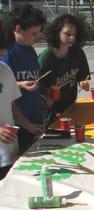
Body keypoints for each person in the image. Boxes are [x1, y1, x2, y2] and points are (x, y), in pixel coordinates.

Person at [1, 21, 42, 180]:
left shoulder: (5, 70)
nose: (1, 58)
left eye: (2, 54)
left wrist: (29, 126)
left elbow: (12, 107)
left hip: (9, 152)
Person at [3, 3, 46, 154]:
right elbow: (4, 85)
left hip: (33, 117)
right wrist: (21, 84)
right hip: (15, 124)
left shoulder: (31, 51)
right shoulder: (8, 51)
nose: (37, 37)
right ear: (18, 29)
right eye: (34, 33)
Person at [38, 14, 90, 126]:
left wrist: (83, 83)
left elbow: (82, 76)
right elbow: (35, 85)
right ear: (57, 33)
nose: (72, 38)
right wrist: (46, 96)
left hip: (71, 107)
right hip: (50, 113)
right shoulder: (46, 57)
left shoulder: (78, 53)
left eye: (74, 35)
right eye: (67, 34)